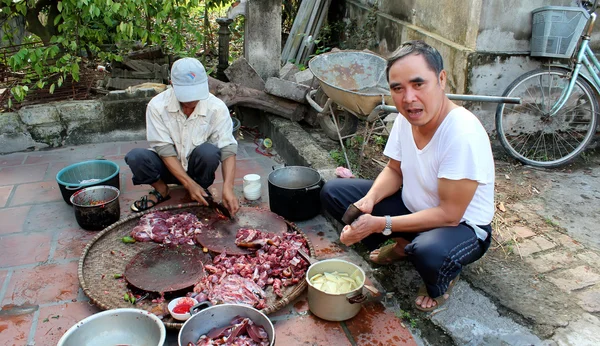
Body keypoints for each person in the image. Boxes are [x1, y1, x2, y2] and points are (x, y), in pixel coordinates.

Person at [320, 41, 495, 312]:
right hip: (415, 209)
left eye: (418, 84)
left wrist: (381, 223)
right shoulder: (408, 117)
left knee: (429, 253)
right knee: (334, 192)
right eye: (397, 88)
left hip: (461, 228)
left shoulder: (462, 133)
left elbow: (450, 214)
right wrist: (369, 200)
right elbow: (394, 170)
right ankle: (404, 244)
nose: (408, 98)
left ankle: (441, 278)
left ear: (441, 79)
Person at [125, 57, 240, 216]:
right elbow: (164, 150)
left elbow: (228, 148)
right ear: (172, 84)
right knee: (136, 157)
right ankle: (161, 190)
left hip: (196, 167)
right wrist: (188, 184)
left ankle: (200, 187)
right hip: (167, 166)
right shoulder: (157, 106)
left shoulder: (216, 107)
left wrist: (228, 188)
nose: (191, 101)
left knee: (209, 153)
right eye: (186, 96)